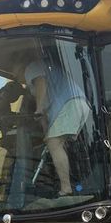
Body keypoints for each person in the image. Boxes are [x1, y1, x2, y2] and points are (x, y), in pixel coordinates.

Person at [24, 58, 91, 196]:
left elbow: (41, 83)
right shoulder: (44, 74)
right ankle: (75, 183)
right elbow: (45, 115)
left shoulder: (31, 66)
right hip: (78, 104)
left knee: (54, 143)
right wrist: (46, 133)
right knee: (57, 144)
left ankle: (66, 188)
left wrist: (38, 108)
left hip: (70, 103)